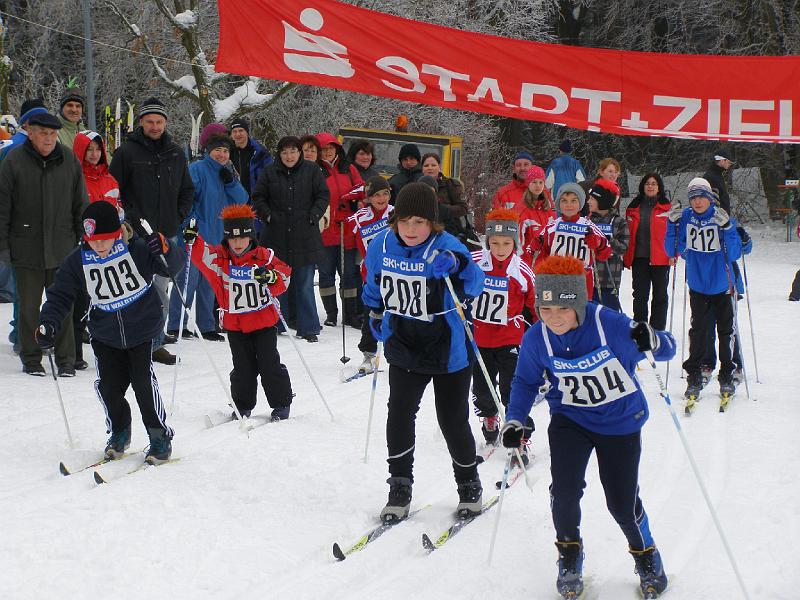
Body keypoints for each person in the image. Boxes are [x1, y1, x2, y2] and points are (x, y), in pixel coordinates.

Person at [502, 254, 675, 600]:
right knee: (564, 492)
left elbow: (666, 349)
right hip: (571, 420)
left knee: (622, 503)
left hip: (620, 422)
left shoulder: (607, 324)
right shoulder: (538, 337)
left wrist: (651, 338)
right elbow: (524, 380)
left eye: (562, 310)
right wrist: (515, 419)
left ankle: (646, 555)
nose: (554, 319)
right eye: (545, 310)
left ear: (578, 304)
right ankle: (569, 554)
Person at [362, 182, 485, 522]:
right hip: (403, 343)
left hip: (447, 348)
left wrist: (458, 266)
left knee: (452, 421)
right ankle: (399, 486)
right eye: (405, 221)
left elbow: (477, 282)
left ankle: (468, 483)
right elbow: (373, 282)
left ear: (433, 222)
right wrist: (373, 313)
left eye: (420, 221)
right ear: (394, 220)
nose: (412, 229)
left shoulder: (447, 245)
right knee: (399, 415)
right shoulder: (382, 245)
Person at [37, 200, 180, 463]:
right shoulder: (79, 259)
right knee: (109, 388)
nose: (99, 246)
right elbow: (60, 295)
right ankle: (119, 431)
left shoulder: (136, 248)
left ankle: (159, 436)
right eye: (93, 241)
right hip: (105, 334)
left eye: (105, 239)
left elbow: (172, 267)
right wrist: (49, 323)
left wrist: (164, 247)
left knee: (143, 384)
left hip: (141, 328)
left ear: (117, 233)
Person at [186, 204, 294, 420]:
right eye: (232, 239)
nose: (237, 243)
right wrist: (192, 239)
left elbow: (285, 276)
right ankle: (242, 405)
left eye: (242, 238)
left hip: (263, 322)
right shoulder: (220, 259)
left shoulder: (264, 257)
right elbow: (201, 255)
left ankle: (281, 403)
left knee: (269, 363)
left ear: (251, 237)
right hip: (235, 326)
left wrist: (272, 278)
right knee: (242, 368)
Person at [0, 111, 87, 376]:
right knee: (28, 307)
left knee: (62, 305)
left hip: (63, 248)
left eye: (52, 134)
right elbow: (2, 208)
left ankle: (65, 360)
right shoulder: (14, 160)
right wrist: (3, 247)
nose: (48, 139)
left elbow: (80, 204)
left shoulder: (69, 159)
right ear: (31, 132)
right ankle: (31, 357)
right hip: (25, 247)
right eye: (42, 133)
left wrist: (83, 239)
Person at [109, 97, 195, 365]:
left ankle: (155, 343)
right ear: (141, 123)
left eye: (159, 122)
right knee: (132, 289)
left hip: (166, 234)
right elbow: (115, 190)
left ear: (165, 123)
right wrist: (128, 219)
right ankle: (128, 342)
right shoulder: (127, 153)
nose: (155, 126)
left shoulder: (175, 153)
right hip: (135, 235)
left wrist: (176, 217)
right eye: (150, 122)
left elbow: (187, 190)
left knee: (160, 290)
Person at [665, 177, 742, 400]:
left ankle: (727, 374)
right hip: (698, 284)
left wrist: (727, 228)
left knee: (725, 331)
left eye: (701, 197)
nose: (697, 202)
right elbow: (672, 250)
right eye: (693, 198)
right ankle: (694, 375)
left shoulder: (720, 216)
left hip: (722, 284)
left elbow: (735, 253)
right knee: (698, 332)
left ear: (709, 198)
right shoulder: (686, 216)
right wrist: (671, 225)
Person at [166, 134, 248, 342]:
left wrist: (230, 182)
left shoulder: (227, 172)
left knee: (210, 282)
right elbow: (187, 199)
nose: (222, 154)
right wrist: (189, 225)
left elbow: (242, 200)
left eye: (226, 151)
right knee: (188, 279)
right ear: (208, 151)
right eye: (218, 150)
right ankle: (177, 324)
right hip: (196, 234)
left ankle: (207, 325)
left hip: (218, 235)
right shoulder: (197, 169)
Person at [470, 208, 535, 456]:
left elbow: (535, 303)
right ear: (487, 242)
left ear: (514, 243)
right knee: (482, 388)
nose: (500, 248)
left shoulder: (522, 270)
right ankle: (489, 417)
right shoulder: (476, 261)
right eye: (494, 243)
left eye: (506, 243)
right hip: (479, 338)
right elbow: (457, 276)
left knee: (513, 390)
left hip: (510, 338)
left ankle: (520, 435)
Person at [253, 136, 328, 342]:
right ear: (279, 154)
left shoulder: (312, 171)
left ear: (299, 153)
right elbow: (258, 197)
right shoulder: (269, 172)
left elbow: (323, 195)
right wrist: (268, 215)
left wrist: (313, 216)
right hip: (275, 235)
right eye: (285, 152)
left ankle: (309, 327)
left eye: (293, 151)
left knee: (304, 284)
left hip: (305, 235)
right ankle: (275, 322)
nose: (289, 156)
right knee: (276, 281)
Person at [71, 130, 122, 370]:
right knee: (81, 300)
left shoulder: (110, 179)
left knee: (107, 297)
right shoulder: (75, 177)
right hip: (84, 246)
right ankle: (75, 351)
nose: (93, 154)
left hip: (110, 248)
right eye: (89, 149)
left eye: (97, 149)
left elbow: (118, 210)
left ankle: (111, 349)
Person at [344, 176, 394, 373]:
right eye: (376, 195)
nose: (381, 198)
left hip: (395, 273)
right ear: (369, 198)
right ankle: (368, 354)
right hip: (371, 274)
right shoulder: (359, 217)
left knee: (397, 315)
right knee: (372, 314)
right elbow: (343, 225)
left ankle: (399, 352)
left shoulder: (397, 214)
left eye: (385, 194)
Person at [530, 183, 612, 299]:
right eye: (564, 201)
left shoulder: (587, 226)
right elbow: (535, 252)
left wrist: (597, 242)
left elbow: (606, 251)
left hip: (581, 279)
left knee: (579, 314)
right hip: (555, 278)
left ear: (580, 203)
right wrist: (536, 246)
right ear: (559, 204)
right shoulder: (552, 226)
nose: (569, 205)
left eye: (573, 201)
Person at [316, 132, 363, 328]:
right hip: (325, 229)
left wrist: (358, 202)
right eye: (323, 149)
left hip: (347, 229)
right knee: (326, 273)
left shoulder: (348, 168)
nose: (327, 152)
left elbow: (361, 188)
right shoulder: (315, 170)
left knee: (349, 273)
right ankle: (331, 314)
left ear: (337, 149)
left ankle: (351, 314)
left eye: (330, 148)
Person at [700, 225, 753, 386]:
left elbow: (745, 249)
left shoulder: (729, 226)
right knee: (706, 327)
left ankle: (735, 364)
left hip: (728, 285)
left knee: (729, 328)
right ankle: (707, 363)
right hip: (705, 285)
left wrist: (744, 238)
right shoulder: (698, 227)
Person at [624, 173, 673, 330]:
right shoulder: (633, 207)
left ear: (659, 187)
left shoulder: (667, 208)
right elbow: (627, 233)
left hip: (661, 258)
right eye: (647, 183)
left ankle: (657, 330)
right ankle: (641, 329)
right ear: (642, 187)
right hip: (639, 258)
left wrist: (674, 254)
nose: (650, 186)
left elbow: (675, 234)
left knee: (659, 296)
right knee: (639, 295)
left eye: (654, 183)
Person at [586, 178, 628, 311]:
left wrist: (607, 241)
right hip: (589, 279)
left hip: (609, 280)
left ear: (602, 201)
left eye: (592, 199)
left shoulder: (618, 222)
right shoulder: (586, 221)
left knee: (610, 315)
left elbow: (623, 248)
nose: (588, 201)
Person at [420, 152, 477, 246]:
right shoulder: (415, 185)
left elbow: (463, 208)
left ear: (439, 167)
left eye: (433, 165)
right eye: (426, 165)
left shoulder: (451, 185)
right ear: (422, 168)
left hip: (450, 231)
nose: (430, 168)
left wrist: (441, 209)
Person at [517, 165, 556, 269]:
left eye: (541, 182)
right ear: (528, 183)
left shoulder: (548, 209)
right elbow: (517, 244)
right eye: (534, 182)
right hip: (528, 264)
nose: (538, 186)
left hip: (548, 265)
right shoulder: (522, 210)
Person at [228, 118, 272, 199]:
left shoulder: (260, 152)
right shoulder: (228, 153)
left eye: (241, 130)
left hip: (256, 200)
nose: (238, 134)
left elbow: (271, 177)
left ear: (247, 132)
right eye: (234, 131)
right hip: (237, 201)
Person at [545, 139, 586, 207]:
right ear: (570, 151)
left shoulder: (555, 163)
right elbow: (582, 181)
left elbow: (548, 183)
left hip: (557, 198)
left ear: (560, 151)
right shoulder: (575, 163)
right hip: (572, 198)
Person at [703, 147, 734, 213]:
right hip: (716, 219)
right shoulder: (710, 177)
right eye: (729, 162)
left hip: (722, 218)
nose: (730, 165)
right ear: (722, 160)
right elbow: (709, 202)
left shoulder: (718, 174)